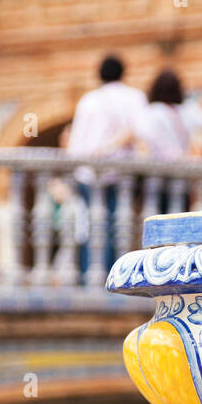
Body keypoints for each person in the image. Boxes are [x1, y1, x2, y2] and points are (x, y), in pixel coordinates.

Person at [66, 56, 146, 275]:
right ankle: (115, 275)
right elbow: (141, 131)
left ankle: (89, 275)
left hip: (88, 173)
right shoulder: (135, 97)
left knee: (90, 228)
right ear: (123, 72)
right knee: (118, 227)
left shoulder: (88, 100)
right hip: (120, 174)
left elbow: (75, 144)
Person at [138, 70, 202, 162]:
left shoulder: (152, 112)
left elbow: (144, 136)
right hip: (186, 163)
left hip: (161, 165)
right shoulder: (188, 109)